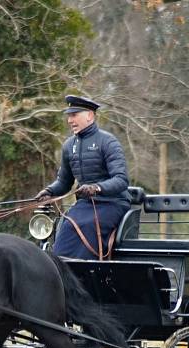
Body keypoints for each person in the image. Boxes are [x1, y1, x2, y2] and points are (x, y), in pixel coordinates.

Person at [35, 95, 130, 260]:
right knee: (66, 227)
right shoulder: (68, 146)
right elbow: (64, 182)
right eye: (68, 116)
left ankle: (87, 274)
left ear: (90, 115)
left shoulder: (108, 142)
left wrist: (97, 188)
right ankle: (63, 273)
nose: (70, 120)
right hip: (85, 205)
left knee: (87, 225)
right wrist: (49, 191)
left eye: (74, 115)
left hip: (112, 203)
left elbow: (121, 180)